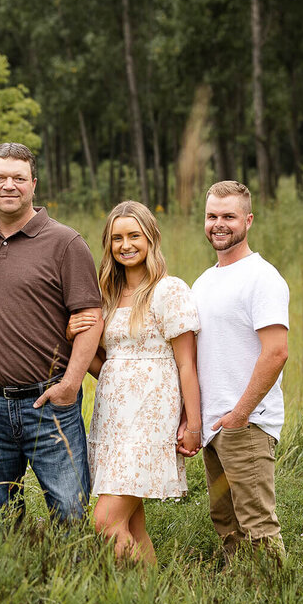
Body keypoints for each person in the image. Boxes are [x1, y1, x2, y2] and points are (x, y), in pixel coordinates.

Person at [0, 142, 103, 522]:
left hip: (50, 402)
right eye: (0, 177)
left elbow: (90, 317)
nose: (9, 185)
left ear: (33, 184)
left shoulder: (65, 242)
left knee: (71, 512)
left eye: (19, 178)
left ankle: (73, 581)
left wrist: (70, 385)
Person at [71, 201, 201, 562]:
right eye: (117, 238)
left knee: (105, 521)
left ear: (150, 238)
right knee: (132, 524)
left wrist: (193, 423)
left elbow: (186, 364)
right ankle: (150, 601)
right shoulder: (107, 296)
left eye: (134, 236)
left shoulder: (168, 290)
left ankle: (144, 600)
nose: (125, 244)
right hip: (113, 417)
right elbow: (105, 364)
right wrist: (73, 335)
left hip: (151, 418)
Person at [190, 180, 289, 562]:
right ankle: (241, 596)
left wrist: (240, 415)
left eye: (228, 216)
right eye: (212, 215)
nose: (219, 224)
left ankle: (278, 603)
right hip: (215, 426)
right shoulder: (205, 280)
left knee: (258, 524)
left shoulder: (261, 278)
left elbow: (277, 352)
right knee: (225, 521)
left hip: (245, 424)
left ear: (248, 220)